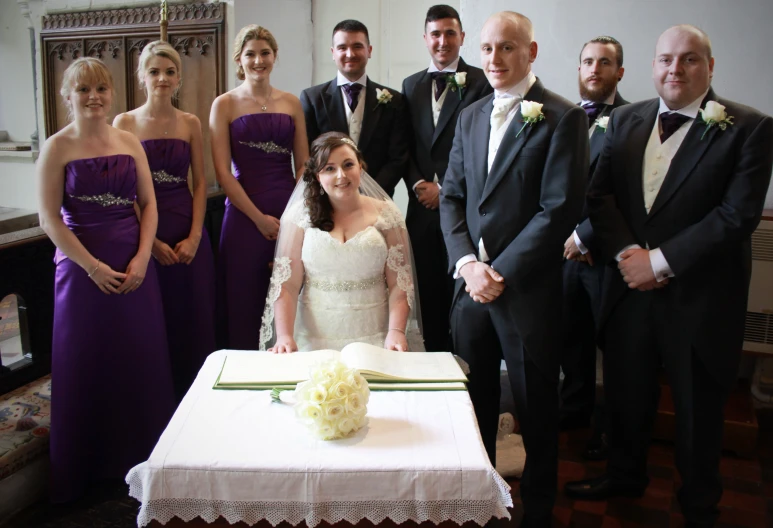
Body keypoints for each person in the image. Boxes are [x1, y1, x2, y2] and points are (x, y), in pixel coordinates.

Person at [564, 25, 773, 527]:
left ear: (710, 65)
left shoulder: (749, 126)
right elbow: (600, 196)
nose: (675, 70)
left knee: (698, 408)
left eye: (689, 60)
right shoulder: (626, 119)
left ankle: (699, 500)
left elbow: (736, 216)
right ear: (652, 66)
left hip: (700, 298)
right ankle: (624, 474)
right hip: (629, 290)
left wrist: (659, 262)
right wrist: (629, 255)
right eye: (665, 60)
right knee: (626, 392)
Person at [439, 12, 588, 525]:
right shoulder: (471, 114)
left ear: (531, 51)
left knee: (535, 407)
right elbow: (452, 198)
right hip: (470, 290)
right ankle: (480, 500)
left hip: (527, 292)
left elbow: (559, 209)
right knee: (473, 402)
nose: (494, 59)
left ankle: (539, 509)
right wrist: (466, 265)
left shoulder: (564, 117)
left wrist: (496, 271)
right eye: (485, 49)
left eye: (506, 48)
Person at [37, 57, 175, 502]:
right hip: (80, 272)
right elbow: (48, 219)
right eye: (83, 90)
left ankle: (143, 460)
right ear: (67, 97)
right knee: (86, 361)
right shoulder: (56, 147)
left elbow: (149, 205)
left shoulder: (129, 142)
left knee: (139, 359)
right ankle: (85, 472)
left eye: (100, 88)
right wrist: (92, 266)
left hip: (134, 267)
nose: (93, 97)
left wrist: (141, 259)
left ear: (113, 93)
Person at [113, 41, 216, 400]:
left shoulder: (190, 122)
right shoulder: (124, 123)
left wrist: (195, 236)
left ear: (179, 79)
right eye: (154, 71)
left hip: (186, 228)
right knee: (156, 319)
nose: (162, 78)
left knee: (194, 316)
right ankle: (158, 397)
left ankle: (198, 395)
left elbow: (201, 182)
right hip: (143, 232)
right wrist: (150, 243)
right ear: (142, 77)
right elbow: (126, 191)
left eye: (170, 72)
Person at [259, 132, 423, 353]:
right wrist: (285, 336)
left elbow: (400, 283)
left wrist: (396, 332)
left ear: (360, 168)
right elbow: (287, 285)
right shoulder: (298, 217)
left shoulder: (387, 215)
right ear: (318, 176)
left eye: (348, 165)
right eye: (329, 168)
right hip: (312, 340)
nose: (341, 175)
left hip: (379, 336)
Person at [210, 25, 309, 350]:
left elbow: (303, 166)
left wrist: (295, 216)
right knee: (244, 298)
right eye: (250, 54)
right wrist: (258, 219)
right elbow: (223, 174)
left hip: (288, 210)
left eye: (264, 53)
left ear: (274, 56)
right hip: (243, 216)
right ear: (239, 59)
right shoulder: (224, 105)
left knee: (288, 291)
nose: (258, 60)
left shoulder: (291, 103)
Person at [401, 4, 492, 352]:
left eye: (450, 33)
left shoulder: (483, 82)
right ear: (425, 38)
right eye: (435, 34)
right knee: (426, 294)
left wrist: (445, 189)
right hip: (420, 209)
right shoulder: (410, 85)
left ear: (462, 38)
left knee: (462, 294)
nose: (442, 41)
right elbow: (405, 144)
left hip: (463, 206)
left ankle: (467, 372)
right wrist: (417, 184)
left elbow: (481, 148)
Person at [559, 36, 629, 457]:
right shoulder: (562, 116)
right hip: (562, 252)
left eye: (605, 63)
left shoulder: (634, 119)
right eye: (588, 61)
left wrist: (584, 234)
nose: (595, 69)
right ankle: (574, 410)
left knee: (615, 346)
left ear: (619, 72)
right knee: (572, 335)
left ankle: (612, 432)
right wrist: (563, 237)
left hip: (605, 252)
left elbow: (625, 191)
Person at [300, 20, 408, 197]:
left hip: (377, 200)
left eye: (357, 46)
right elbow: (307, 156)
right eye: (342, 47)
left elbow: (398, 157)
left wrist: (371, 192)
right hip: (328, 199)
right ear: (333, 53)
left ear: (369, 50)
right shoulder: (312, 98)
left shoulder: (394, 100)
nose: (350, 54)